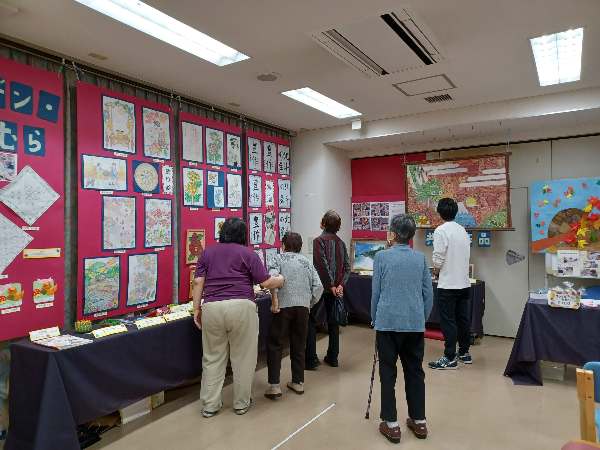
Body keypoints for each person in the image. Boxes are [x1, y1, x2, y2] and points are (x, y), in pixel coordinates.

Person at [192, 218, 284, 418]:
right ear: (243, 235)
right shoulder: (247, 254)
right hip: (242, 307)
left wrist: (196, 309)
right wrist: (280, 280)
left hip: (212, 307)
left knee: (212, 358)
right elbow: (266, 282)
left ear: (222, 232)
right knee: (243, 357)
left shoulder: (208, 252)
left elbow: (198, 282)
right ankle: (241, 403)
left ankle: (210, 405)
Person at [371, 214, 433, 444]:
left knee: (388, 372)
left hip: (387, 323)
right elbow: (428, 294)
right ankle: (419, 420)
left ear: (393, 234)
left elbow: (376, 292)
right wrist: (421, 318)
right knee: (415, 371)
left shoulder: (381, 257)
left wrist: (374, 319)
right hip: (414, 325)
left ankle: (392, 424)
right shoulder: (420, 259)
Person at [264, 232, 323, 399]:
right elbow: (318, 286)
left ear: (283, 245)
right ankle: (298, 382)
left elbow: (273, 280)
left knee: (276, 343)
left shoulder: (278, 259)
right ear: (301, 246)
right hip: (303, 307)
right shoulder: (307, 262)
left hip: (282, 306)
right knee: (299, 343)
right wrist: (309, 303)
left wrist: (275, 300)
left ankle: (274, 385)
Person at [428, 198, 472, 370]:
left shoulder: (441, 231)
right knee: (462, 319)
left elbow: (438, 257)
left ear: (439, 213)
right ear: (455, 212)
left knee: (448, 321)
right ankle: (464, 353)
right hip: (463, 282)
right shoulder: (462, 230)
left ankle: (449, 357)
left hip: (448, 284)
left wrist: (435, 272)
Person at [306, 210, 350, 369]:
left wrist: (331, 285)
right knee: (334, 321)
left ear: (323, 223)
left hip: (322, 287)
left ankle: (310, 360)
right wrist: (340, 286)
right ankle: (333, 357)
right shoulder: (341, 243)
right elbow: (347, 267)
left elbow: (321, 265)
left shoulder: (319, 241)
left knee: (310, 320)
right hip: (335, 288)